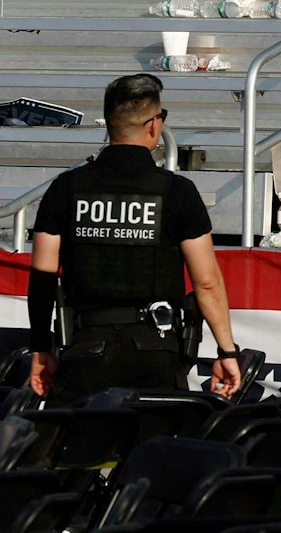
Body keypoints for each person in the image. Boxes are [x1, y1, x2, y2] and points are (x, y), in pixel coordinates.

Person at [28, 73, 242, 403]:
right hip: (155, 353)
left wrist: (41, 348)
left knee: (82, 453)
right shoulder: (177, 192)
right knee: (154, 452)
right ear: (154, 126)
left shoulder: (66, 188)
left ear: (110, 125)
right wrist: (227, 350)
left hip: (85, 352)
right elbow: (207, 282)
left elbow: (42, 278)